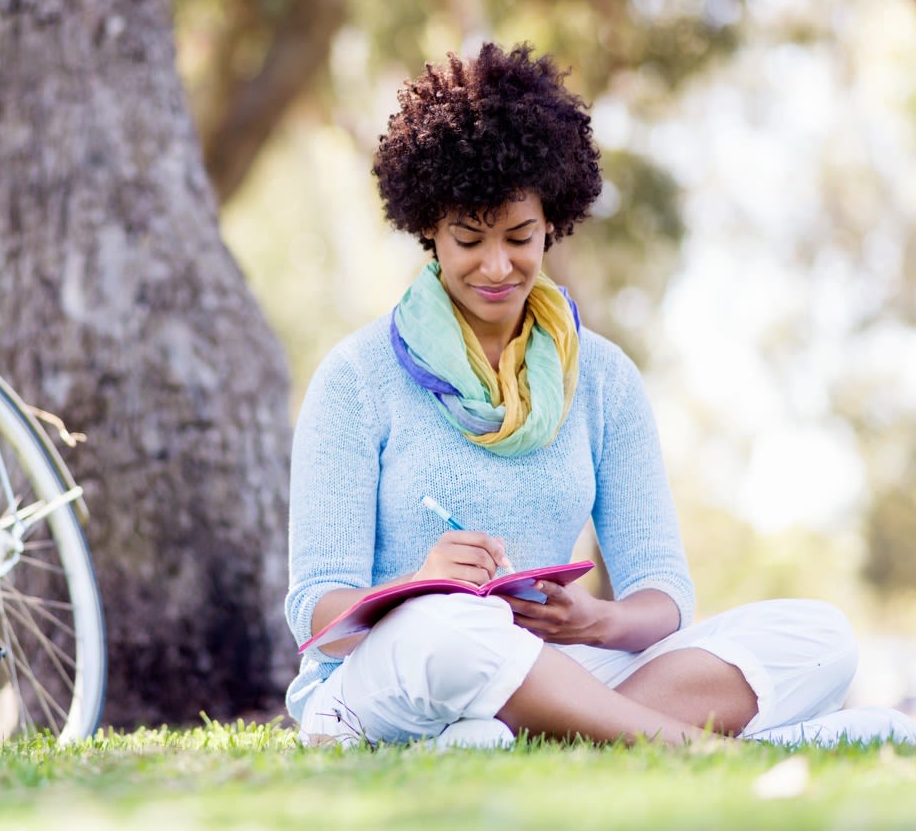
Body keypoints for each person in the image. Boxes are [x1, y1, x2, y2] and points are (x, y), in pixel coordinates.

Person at [283, 41, 916, 749]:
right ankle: (692, 747)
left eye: (521, 236)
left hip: (561, 665)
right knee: (454, 628)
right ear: (428, 228)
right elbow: (316, 610)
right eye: (469, 240)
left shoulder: (605, 378)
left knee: (819, 634)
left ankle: (538, 734)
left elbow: (662, 593)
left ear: (554, 218)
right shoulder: (357, 377)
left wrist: (599, 622)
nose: (498, 266)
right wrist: (418, 586)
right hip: (401, 669)